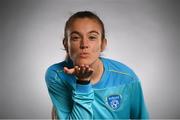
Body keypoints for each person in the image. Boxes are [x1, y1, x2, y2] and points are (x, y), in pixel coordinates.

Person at [45, 11, 149, 119]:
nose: (84, 44)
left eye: (92, 37)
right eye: (76, 38)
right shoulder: (57, 75)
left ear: (103, 44)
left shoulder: (127, 77)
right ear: (66, 44)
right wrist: (83, 83)